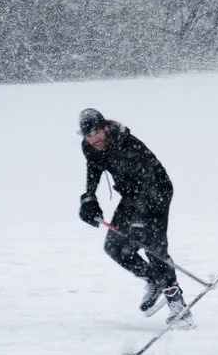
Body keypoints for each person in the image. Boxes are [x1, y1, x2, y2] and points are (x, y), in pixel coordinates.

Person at [79, 108, 192, 323]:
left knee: (153, 246)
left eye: (98, 133)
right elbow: (93, 169)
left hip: (157, 191)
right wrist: (89, 198)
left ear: (105, 128)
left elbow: (148, 179)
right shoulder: (89, 147)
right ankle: (154, 279)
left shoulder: (125, 143)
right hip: (131, 195)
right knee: (114, 248)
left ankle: (178, 305)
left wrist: (141, 218)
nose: (95, 139)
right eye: (89, 135)